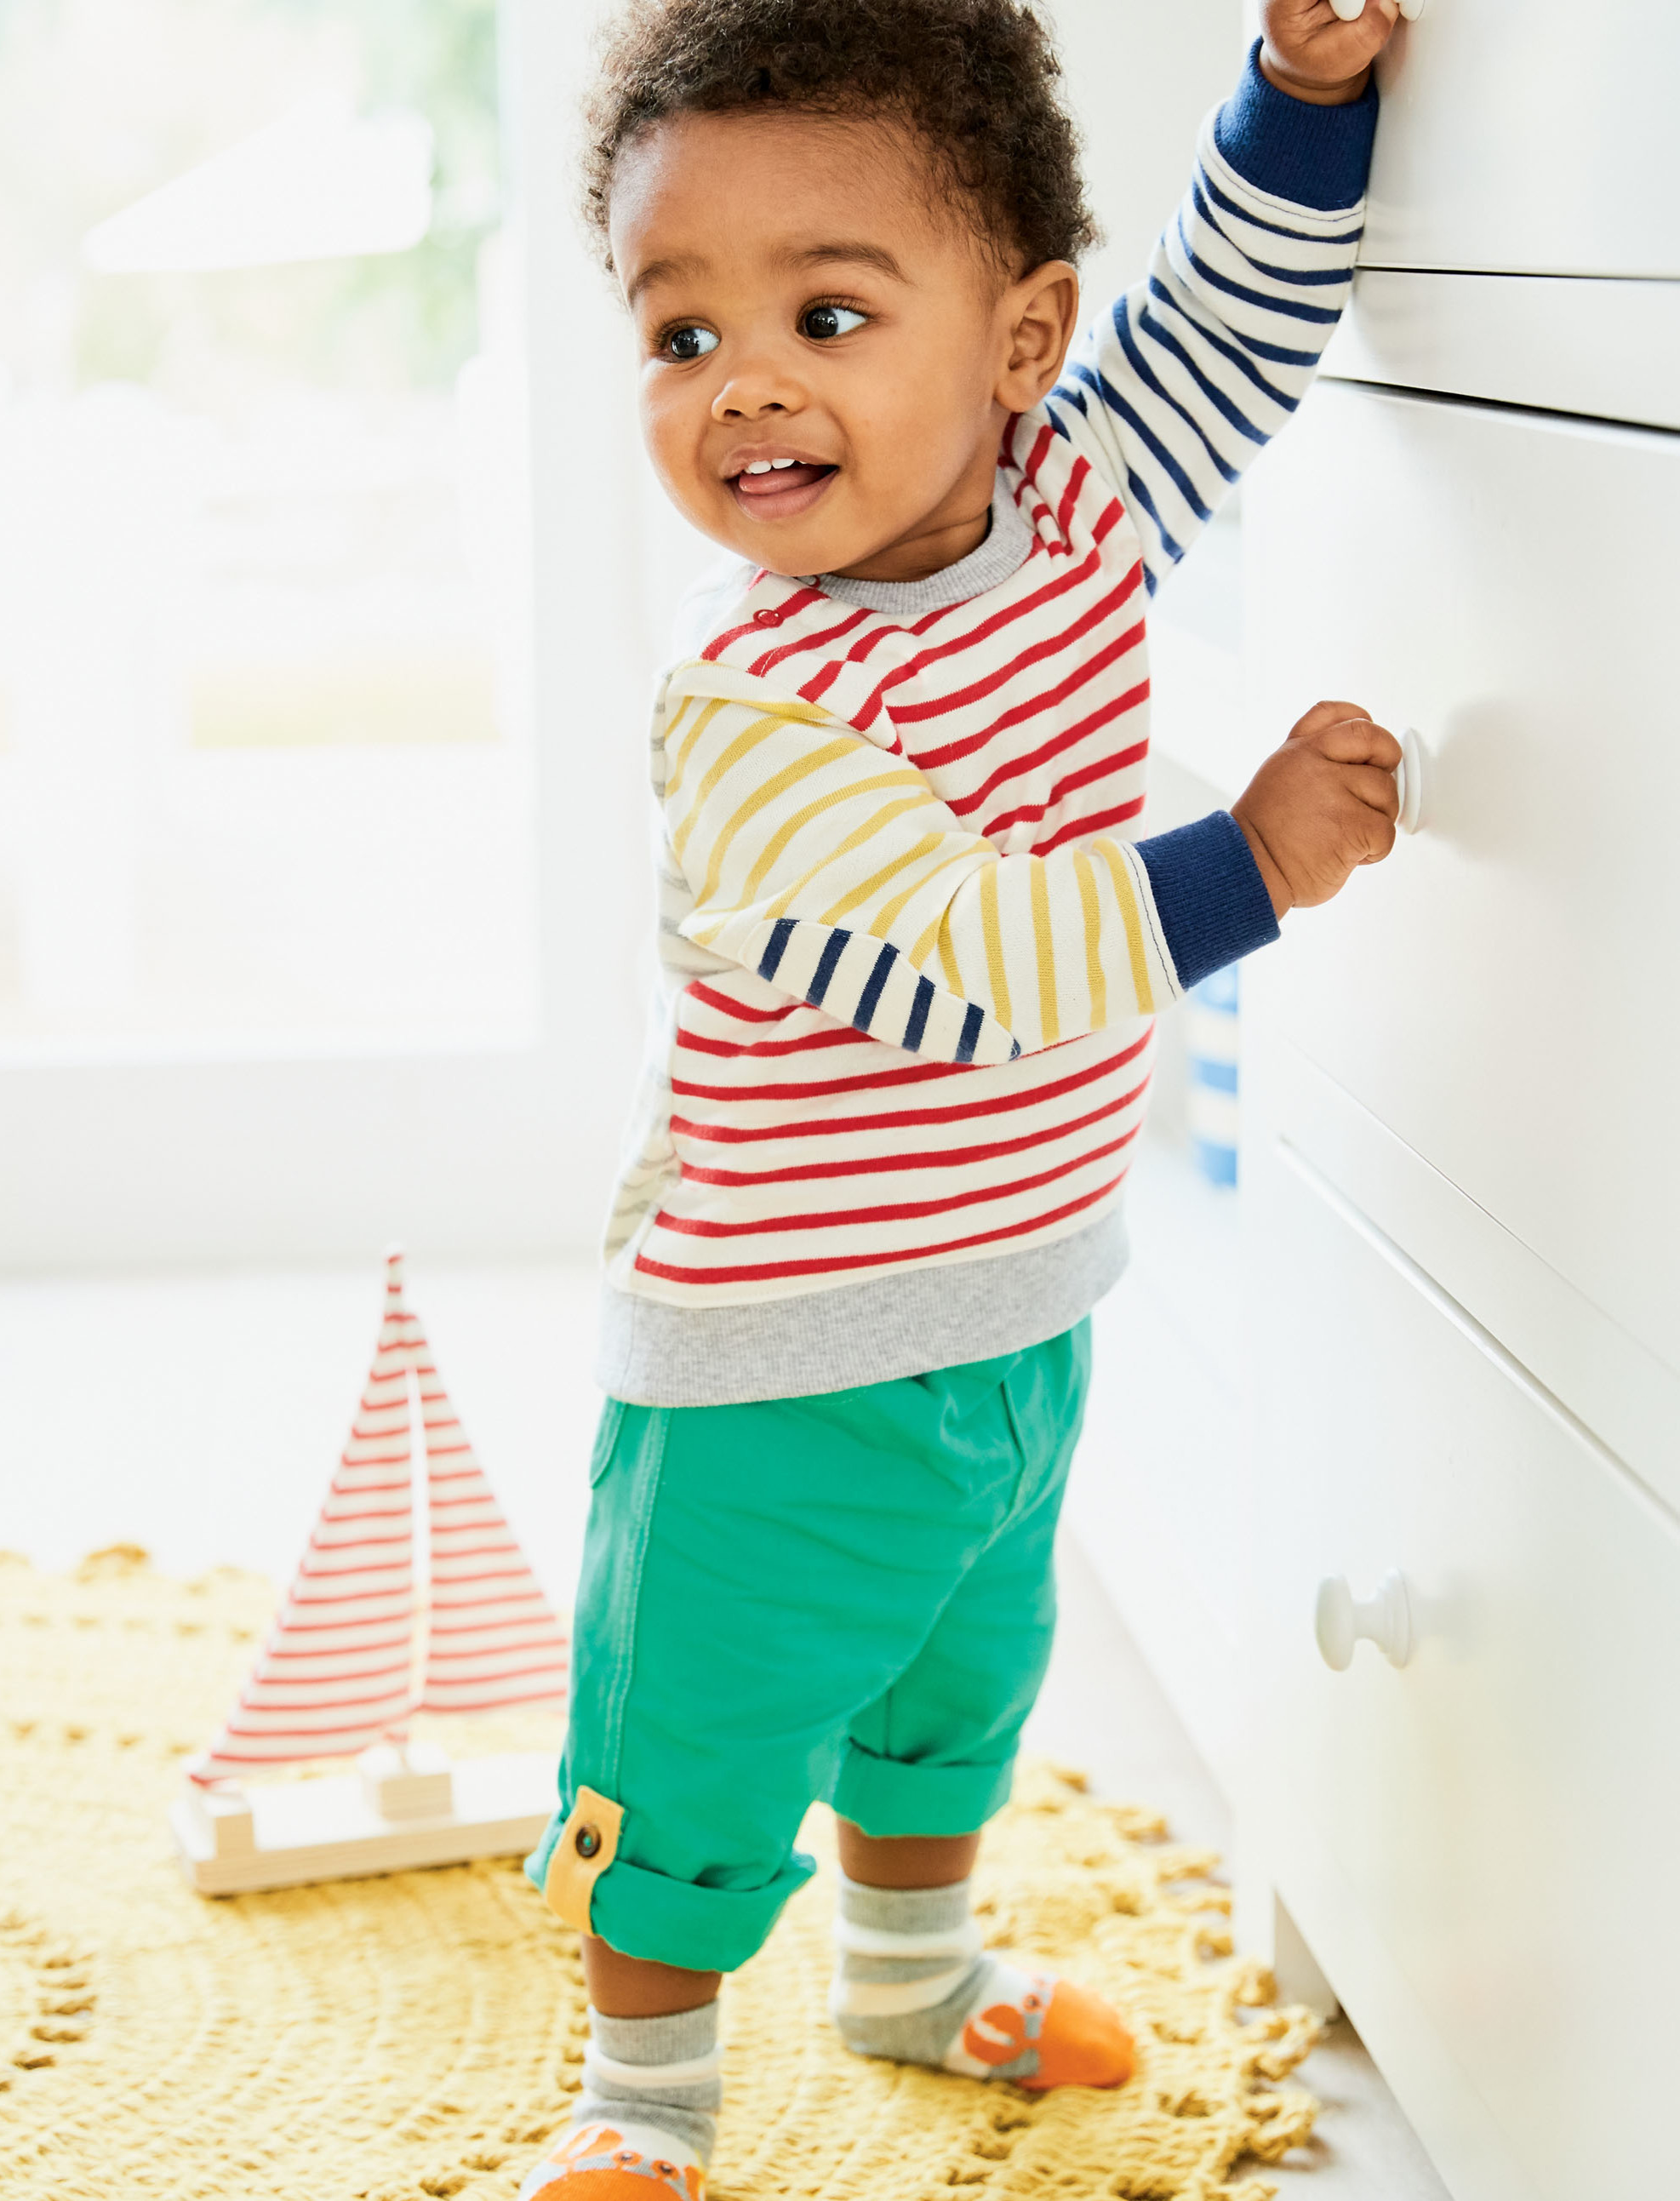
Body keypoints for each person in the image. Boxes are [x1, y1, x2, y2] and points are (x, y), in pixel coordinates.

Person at [523, 2, 1405, 2192]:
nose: (742, 384)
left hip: (1017, 1304)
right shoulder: (749, 702)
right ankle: (642, 2100)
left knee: (954, 1689)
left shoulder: (1076, 501)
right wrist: (1249, 862)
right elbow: (969, 970)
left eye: (824, 315)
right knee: (698, 1749)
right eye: (678, 333)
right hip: (769, 1365)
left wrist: (1300, 97)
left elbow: (1235, 327)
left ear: (1020, 344)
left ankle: (912, 1976)